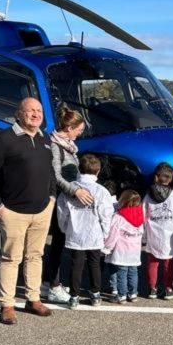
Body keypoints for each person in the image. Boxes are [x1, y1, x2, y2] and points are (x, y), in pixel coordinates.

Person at [0, 97, 56, 325]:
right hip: (12, 211)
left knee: (35, 256)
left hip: (42, 210)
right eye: (31, 110)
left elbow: (50, 171)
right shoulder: (3, 139)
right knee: (11, 258)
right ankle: (7, 304)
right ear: (19, 114)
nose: (36, 114)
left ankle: (33, 299)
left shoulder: (45, 139)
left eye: (39, 111)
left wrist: (52, 198)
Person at [44, 108, 93, 305]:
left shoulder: (68, 145)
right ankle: (53, 286)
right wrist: (76, 191)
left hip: (65, 199)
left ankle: (49, 282)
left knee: (58, 243)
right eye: (78, 130)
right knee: (57, 244)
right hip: (58, 201)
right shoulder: (56, 146)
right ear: (69, 128)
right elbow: (55, 175)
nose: (79, 134)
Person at [55, 153, 114, 308]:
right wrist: (105, 233)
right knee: (94, 264)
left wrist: (64, 228)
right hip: (95, 234)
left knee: (76, 264)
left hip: (75, 232)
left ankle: (74, 297)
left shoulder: (71, 189)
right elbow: (106, 215)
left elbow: (62, 212)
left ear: (79, 170)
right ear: (98, 171)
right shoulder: (101, 191)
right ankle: (95, 294)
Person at [144, 162, 173, 300]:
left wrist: (143, 237)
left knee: (153, 261)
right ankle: (168, 289)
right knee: (169, 262)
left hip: (152, 234)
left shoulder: (148, 195)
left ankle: (152, 289)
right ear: (171, 178)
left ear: (156, 178)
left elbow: (143, 216)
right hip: (169, 235)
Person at [103, 190, 145, 304]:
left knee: (122, 273)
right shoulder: (140, 215)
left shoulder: (119, 217)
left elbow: (113, 234)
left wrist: (107, 247)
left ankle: (121, 295)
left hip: (122, 250)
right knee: (133, 272)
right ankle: (133, 293)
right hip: (135, 251)